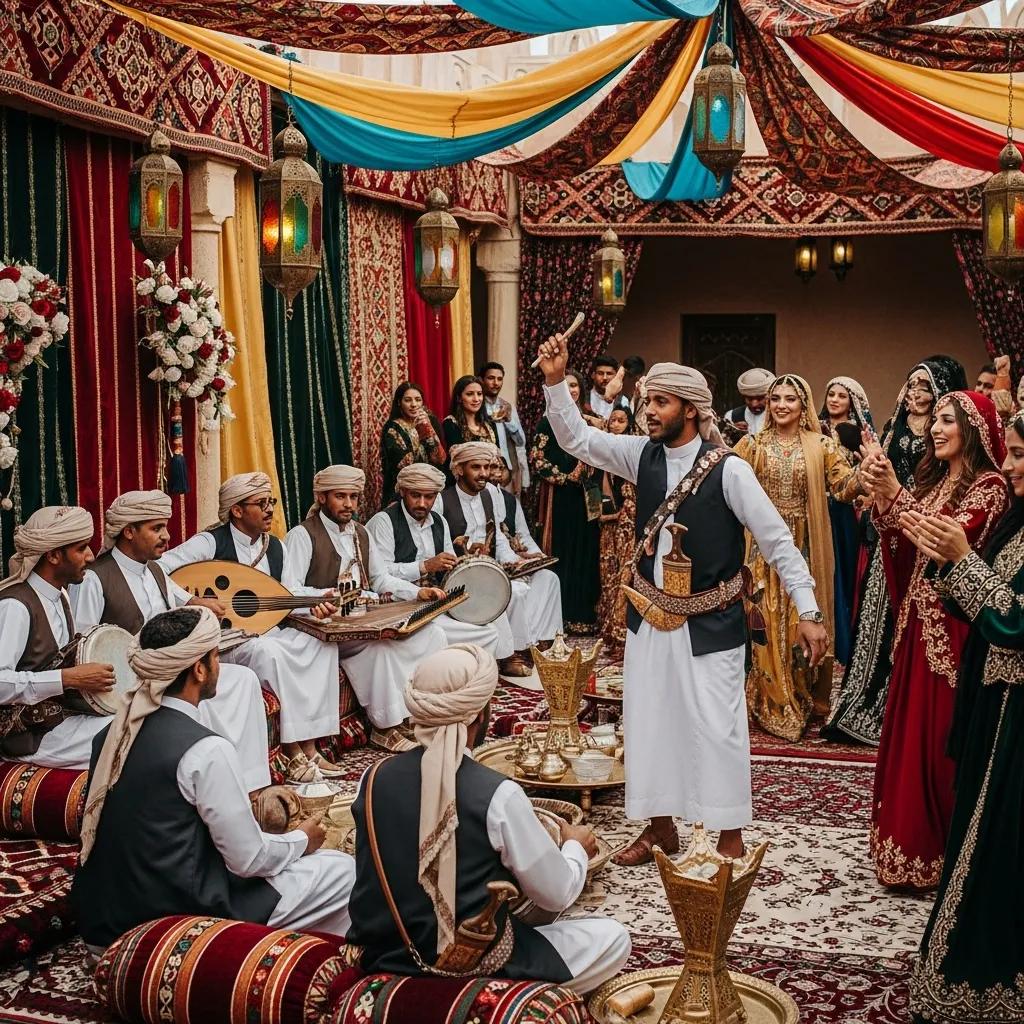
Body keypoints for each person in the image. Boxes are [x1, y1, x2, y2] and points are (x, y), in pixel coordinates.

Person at [534, 337, 828, 865]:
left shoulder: (730, 469)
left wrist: (807, 611)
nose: (647, 411)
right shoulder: (637, 455)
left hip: (712, 619)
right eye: (647, 401)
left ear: (690, 410)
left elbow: (777, 541)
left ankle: (729, 833)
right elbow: (576, 439)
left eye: (660, 403)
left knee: (719, 725)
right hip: (649, 617)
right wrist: (556, 382)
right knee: (649, 721)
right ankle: (660, 828)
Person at [346, 644, 630, 994]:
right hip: (472, 964)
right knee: (613, 938)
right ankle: (494, 995)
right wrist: (574, 848)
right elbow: (556, 895)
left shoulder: (371, 777)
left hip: (384, 954)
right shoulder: (497, 794)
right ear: (480, 715)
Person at [71, 607, 354, 954]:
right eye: (217, 656)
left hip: (104, 925)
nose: (220, 666)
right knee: (340, 870)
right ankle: (315, 961)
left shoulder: (110, 736)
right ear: (199, 669)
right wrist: (302, 840)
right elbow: (248, 861)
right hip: (177, 924)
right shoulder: (206, 750)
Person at [903, 412, 1024, 1023]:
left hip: (1017, 720)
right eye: (1015, 453)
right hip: (996, 705)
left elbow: (1016, 620)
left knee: (998, 848)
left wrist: (963, 561)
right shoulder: (1018, 518)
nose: (1013, 467)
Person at [860, 389, 1008, 890]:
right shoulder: (939, 482)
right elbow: (905, 543)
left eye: (948, 420)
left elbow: (943, 540)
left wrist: (897, 495)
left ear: (975, 428)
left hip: (954, 633)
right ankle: (910, 850)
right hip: (918, 628)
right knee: (911, 737)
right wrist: (885, 494)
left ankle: (942, 852)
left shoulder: (988, 488)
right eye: (935, 421)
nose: (935, 428)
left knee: (938, 741)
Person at [72, 491, 271, 792]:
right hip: (132, 683)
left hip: (171, 673)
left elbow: (184, 600)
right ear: (128, 531)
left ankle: (252, 787)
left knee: (243, 680)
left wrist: (201, 604)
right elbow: (84, 646)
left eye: (165, 527)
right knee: (196, 699)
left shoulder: (154, 570)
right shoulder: (95, 579)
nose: (166, 536)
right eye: (156, 528)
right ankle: (207, 787)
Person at [161, 472, 343, 785]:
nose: (270, 509)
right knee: (268, 651)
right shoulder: (210, 542)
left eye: (271, 501)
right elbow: (159, 569)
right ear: (237, 510)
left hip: (265, 628)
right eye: (261, 503)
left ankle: (312, 746)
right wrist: (192, 599)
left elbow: (282, 597)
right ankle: (292, 749)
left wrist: (315, 601)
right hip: (228, 639)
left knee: (322, 643)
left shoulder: (276, 548)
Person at [825, 356, 968, 745]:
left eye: (926, 387)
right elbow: (877, 469)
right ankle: (857, 706)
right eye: (913, 385)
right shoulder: (894, 427)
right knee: (875, 614)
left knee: (909, 623)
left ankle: (896, 712)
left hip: (925, 529)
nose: (916, 394)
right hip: (889, 526)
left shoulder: (948, 437)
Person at [283, 465, 448, 752]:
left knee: (431, 633)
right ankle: (384, 729)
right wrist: (324, 596)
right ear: (321, 497)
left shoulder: (360, 532)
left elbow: (380, 578)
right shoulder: (302, 535)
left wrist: (417, 591)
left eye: (354, 497)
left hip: (364, 620)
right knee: (382, 650)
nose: (349, 504)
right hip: (328, 628)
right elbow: (290, 590)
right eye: (340, 496)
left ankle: (420, 715)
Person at [735, 375, 863, 741]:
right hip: (760, 551)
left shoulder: (821, 445)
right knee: (762, 624)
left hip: (805, 549)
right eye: (775, 398)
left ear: (803, 404)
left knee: (799, 629)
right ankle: (770, 705)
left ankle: (803, 701)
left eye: (790, 399)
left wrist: (866, 475)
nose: (781, 405)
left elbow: (842, 487)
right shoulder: (752, 444)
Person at [364, 462, 519, 669]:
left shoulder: (439, 521)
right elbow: (379, 574)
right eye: (415, 495)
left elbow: (447, 563)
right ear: (402, 492)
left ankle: (481, 676)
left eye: (429, 497)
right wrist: (424, 566)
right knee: (449, 632)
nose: (422, 503)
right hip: (400, 603)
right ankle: (445, 680)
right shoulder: (384, 521)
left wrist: (462, 558)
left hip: (437, 599)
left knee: (489, 624)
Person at [0, 506, 115, 766]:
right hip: (26, 735)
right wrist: (67, 678)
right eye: (81, 548)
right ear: (53, 555)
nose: (90, 556)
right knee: (129, 735)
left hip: (60, 719)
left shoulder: (61, 595)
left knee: (143, 719)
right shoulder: (15, 606)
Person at [437, 443, 562, 676]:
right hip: (462, 575)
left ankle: (544, 643)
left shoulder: (491, 494)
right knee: (515, 591)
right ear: (459, 469)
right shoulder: (442, 499)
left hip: (493, 567)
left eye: (486, 466)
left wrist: (515, 561)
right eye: (476, 467)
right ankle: (511, 653)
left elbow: (499, 538)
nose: (484, 473)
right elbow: (439, 545)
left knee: (547, 578)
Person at [531, 371, 602, 634]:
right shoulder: (548, 422)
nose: (571, 390)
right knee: (564, 551)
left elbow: (604, 452)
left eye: (574, 386)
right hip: (560, 498)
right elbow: (537, 459)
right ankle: (559, 616)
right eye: (566, 386)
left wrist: (588, 468)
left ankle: (583, 614)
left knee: (586, 552)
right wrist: (566, 477)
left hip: (587, 498)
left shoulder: (591, 422)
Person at [818, 377, 873, 668]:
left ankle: (843, 640)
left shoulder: (857, 434)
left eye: (842, 395)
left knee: (843, 572)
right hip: (817, 509)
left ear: (852, 401)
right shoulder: (814, 430)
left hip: (843, 513)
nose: (835, 399)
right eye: (831, 394)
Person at [596, 407, 638, 658]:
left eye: (622, 421)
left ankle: (623, 636)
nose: (616, 425)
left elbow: (632, 501)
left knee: (625, 577)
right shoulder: (604, 454)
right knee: (608, 577)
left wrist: (618, 516)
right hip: (607, 529)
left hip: (627, 528)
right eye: (613, 420)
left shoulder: (632, 454)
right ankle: (610, 633)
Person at [380, 382, 446, 507]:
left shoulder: (430, 421)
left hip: (430, 487)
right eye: (408, 400)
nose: (414, 404)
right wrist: (422, 434)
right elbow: (403, 465)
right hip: (403, 491)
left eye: (418, 400)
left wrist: (427, 429)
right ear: (399, 402)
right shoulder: (393, 427)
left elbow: (440, 459)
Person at [479, 361, 529, 494]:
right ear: (481, 380)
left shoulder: (507, 406)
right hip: (482, 470)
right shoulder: (476, 406)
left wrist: (509, 420)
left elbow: (520, 442)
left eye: (499, 379)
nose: (496, 383)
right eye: (491, 378)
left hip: (505, 471)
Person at [442, 376, 499, 485]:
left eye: (479, 394)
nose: (476, 399)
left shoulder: (490, 424)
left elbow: (498, 456)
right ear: (459, 398)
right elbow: (457, 459)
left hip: (490, 484)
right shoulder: (451, 424)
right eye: (470, 394)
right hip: (461, 486)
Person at [720, 368, 774, 445]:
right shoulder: (732, 416)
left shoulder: (778, 416)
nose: (754, 404)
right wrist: (732, 432)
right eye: (749, 399)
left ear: (769, 396)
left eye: (760, 398)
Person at [586, 355, 627, 421]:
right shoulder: (582, 397)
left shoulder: (623, 401)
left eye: (609, 373)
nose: (605, 378)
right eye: (600, 373)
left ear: (615, 376)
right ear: (593, 375)